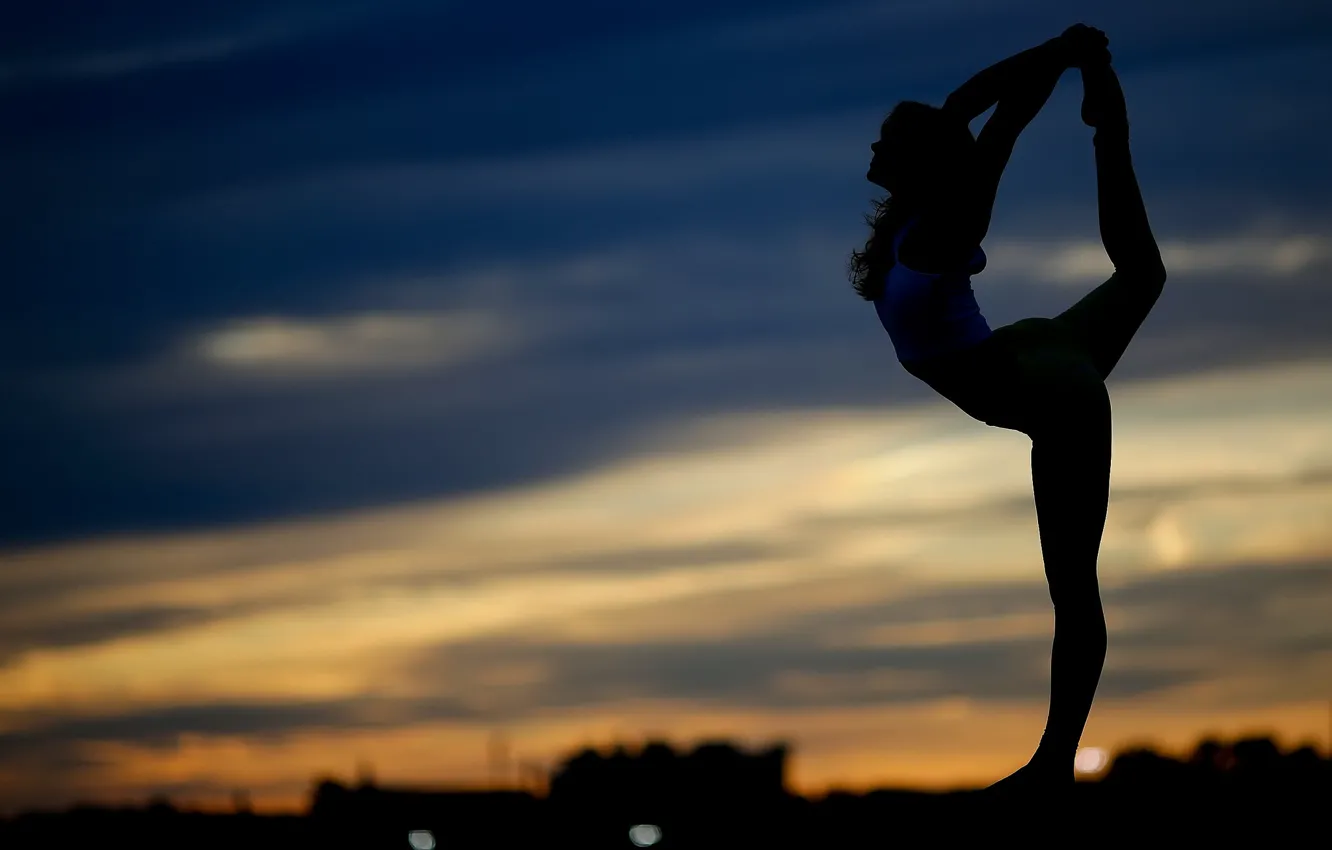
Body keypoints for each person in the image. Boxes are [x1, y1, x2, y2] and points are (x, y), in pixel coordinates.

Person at [848, 25, 1167, 793]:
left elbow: (1006, 118)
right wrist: (1066, 52)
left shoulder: (946, 224)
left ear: (916, 160)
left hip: (1049, 394)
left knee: (1072, 583)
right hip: (1031, 353)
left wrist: (1061, 56)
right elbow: (977, 101)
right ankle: (1109, 123)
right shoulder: (909, 221)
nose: (871, 152)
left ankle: (1055, 762)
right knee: (1142, 272)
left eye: (886, 141)